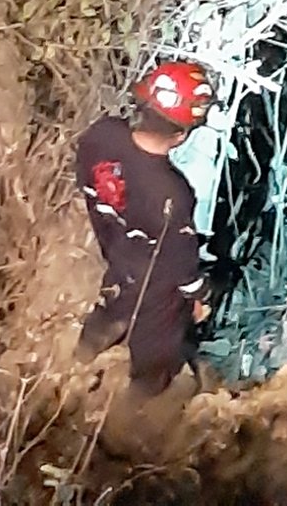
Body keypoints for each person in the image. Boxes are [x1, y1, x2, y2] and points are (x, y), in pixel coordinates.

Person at [75, 60, 215, 401]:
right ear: (181, 134)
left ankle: (74, 367)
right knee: (159, 342)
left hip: (118, 255)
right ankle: (140, 408)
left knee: (111, 307)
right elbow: (180, 264)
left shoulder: (102, 135)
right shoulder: (172, 193)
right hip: (152, 281)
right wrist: (198, 298)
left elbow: (86, 179)